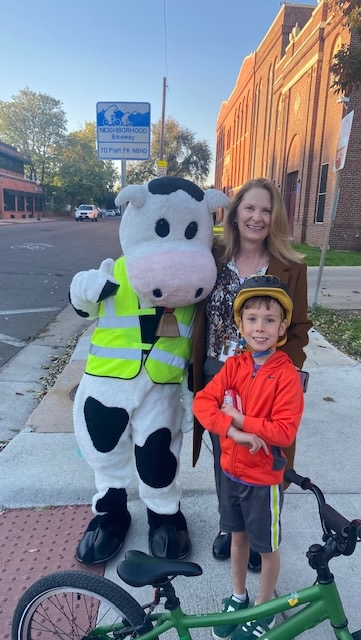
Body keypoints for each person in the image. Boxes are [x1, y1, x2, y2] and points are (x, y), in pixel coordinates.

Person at [191, 178, 312, 568]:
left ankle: (262, 533)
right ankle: (231, 527)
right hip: (217, 368)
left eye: (266, 210)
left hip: (267, 375)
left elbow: (299, 328)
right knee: (225, 451)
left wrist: (285, 371)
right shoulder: (212, 255)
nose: (257, 217)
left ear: (274, 218)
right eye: (250, 208)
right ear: (234, 212)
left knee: (267, 450)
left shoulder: (291, 267)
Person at [193, 275, 304, 640]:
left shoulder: (286, 376)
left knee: (267, 549)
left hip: (263, 483)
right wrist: (234, 431)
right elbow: (202, 402)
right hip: (231, 473)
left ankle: (264, 608)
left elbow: (284, 431)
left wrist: (242, 417)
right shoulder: (234, 366)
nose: (260, 327)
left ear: (282, 326)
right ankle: (239, 597)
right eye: (252, 318)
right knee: (236, 539)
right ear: (240, 324)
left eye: (270, 320)